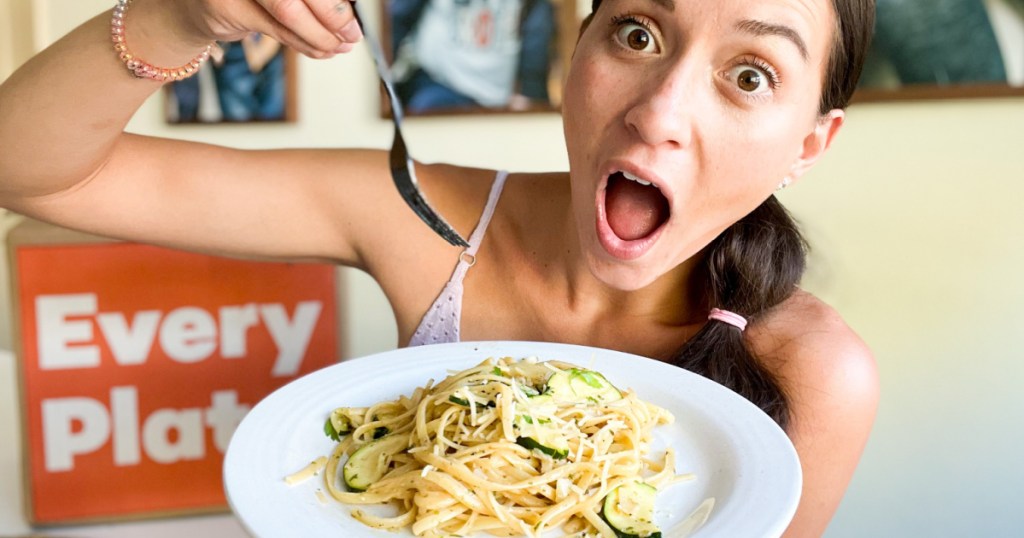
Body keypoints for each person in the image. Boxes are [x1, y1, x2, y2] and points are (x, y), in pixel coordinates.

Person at [0, 0, 879, 535]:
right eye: (639, 32)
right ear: (576, 54)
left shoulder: (814, 373)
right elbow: (34, 168)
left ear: (809, 144)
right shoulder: (422, 215)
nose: (660, 113)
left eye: (752, 75)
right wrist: (178, 16)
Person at [389, 0, 556, 113]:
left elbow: (535, 56)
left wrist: (530, 96)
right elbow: (396, 22)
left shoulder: (535, 6)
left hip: (495, 98)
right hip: (436, 81)